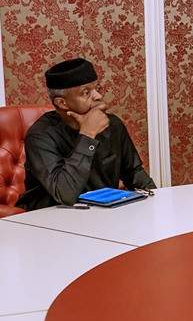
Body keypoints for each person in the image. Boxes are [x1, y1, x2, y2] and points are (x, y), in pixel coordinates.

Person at [16, 58, 156, 211]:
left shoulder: (112, 124)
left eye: (97, 88)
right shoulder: (40, 136)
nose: (98, 96)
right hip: (51, 221)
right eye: (86, 92)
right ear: (62, 103)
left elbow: (134, 173)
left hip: (102, 215)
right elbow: (65, 195)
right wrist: (88, 134)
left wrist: (157, 205)